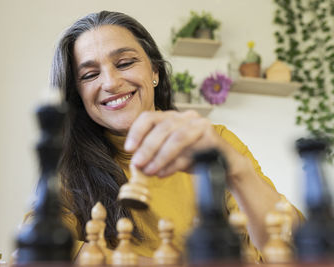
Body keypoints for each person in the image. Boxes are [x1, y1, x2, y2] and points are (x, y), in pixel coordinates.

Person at [49, 10, 302, 262]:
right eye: (90, 75)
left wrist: (237, 171)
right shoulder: (67, 165)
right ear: (78, 95)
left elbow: (292, 248)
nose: (111, 83)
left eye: (125, 63)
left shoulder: (215, 141)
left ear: (155, 72)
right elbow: (45, 249)